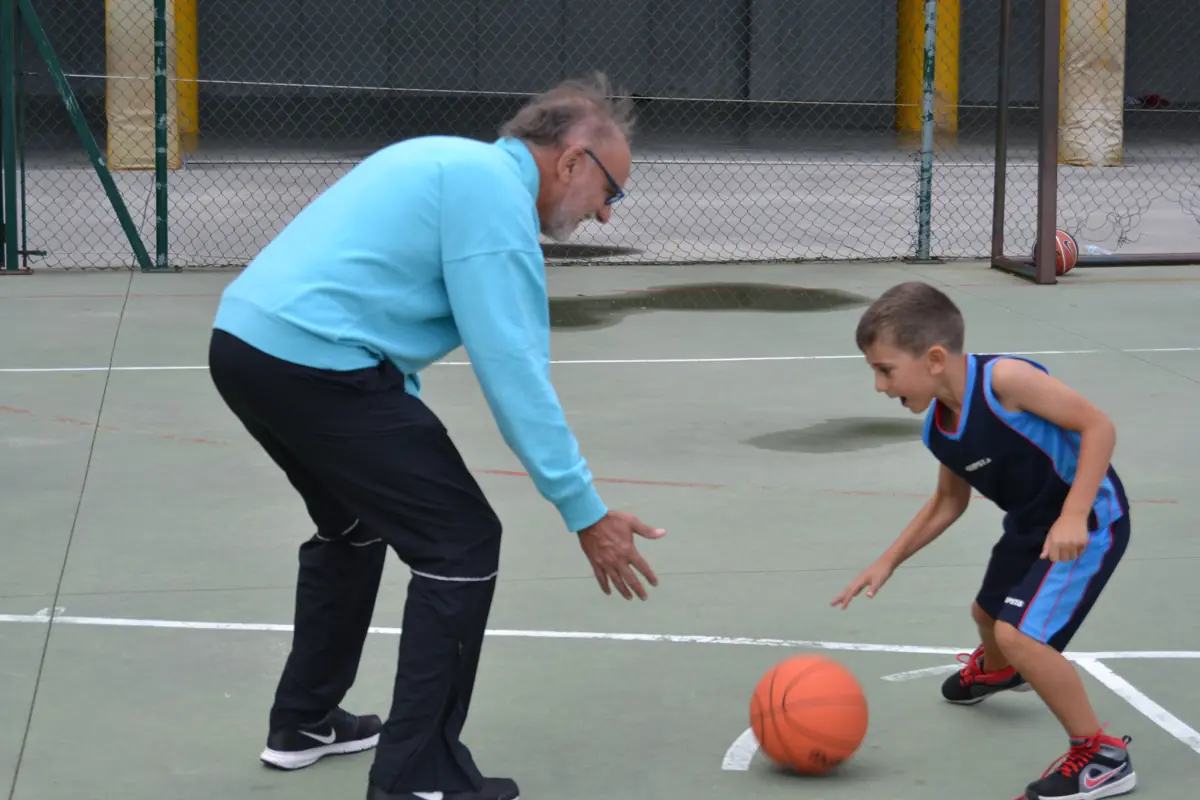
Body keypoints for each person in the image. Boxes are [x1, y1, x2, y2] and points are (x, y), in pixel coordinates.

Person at [206, 72, 666, 800]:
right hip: (315, 367)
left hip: (245, 347)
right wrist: (585, 511)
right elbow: (515, 373)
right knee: (461, 542)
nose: (607, 215)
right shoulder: (495, 203)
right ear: (573, 161)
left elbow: (371, 293)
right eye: (613, 192)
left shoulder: (450, 160)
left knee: (355, 524)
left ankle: (304, 721)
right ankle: (416, 773)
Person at [831, 281, 1135, 800]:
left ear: (932, 359)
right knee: (986, 616)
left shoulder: (1004, 382)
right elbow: (949, 502)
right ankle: (997, 674)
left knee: (1021, 636)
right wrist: (888, 560)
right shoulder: (938, 430)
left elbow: (1098, 427)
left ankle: (1102, 755)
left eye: (884, 370)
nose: (879, 386)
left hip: (1088, 522)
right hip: (1029, 525)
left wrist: (1074, 514)